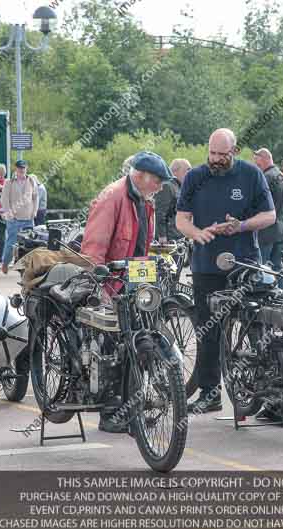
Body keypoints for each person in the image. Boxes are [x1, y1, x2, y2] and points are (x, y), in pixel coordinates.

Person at [176, 128, 275, 414]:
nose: (216, 159)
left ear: (234, 151)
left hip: (245, 262)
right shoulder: (194, 177)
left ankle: (262, 389)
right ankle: (210, 393)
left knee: (256, 324)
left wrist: (241, 225)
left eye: (222, 154)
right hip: (207, 264)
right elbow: (182, 219)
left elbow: (270, 215)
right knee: (208, 330)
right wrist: (197, 233)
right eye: (212, 153)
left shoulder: (251, 174)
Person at [80, 151, 173, 432]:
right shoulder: (113, 197)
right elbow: (94, 246)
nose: (160, 187)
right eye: (157, 181)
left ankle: (131, 404)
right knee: (112, 349)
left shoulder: (144, 199)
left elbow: (140, 243)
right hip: (112, 282)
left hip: (134, 281)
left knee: (139, 343)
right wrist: (98, 286)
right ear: (141, 176)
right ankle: (111, 412)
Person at [253, 148, 283, 286]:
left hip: (266, 231)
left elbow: (258, 205)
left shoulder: (266, 178)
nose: (256, 165)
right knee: (278, 267)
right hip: (282, 229)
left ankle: (264, 297)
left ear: (264, 158)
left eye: (257, 162)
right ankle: (282, 295)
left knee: (262, 268)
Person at [0, 160, 38, 274]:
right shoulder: (9, 182)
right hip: (14, 219)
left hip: (28, 218)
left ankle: (26, 267)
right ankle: (5, 263)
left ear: (26, 169)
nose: (22, 170)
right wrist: (9, 214)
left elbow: (35, 197)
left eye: (23, 168)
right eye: (19, 168)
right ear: (16, 169)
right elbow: (4, 199)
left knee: (30, 244)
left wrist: (34, 211)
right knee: (11, 243)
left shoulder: (31, 181)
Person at [154, 158, 191, 243]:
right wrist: (162, 236)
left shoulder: (179, 187)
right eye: (187, 170)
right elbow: (160, 212)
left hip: (178, 236)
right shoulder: (167, 186)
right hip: (169, 238)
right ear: (175, 171)